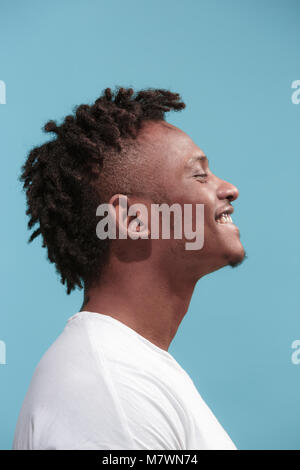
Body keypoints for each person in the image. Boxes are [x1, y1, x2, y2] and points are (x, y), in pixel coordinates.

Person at [13, 86, 246, 450]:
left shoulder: (126, 371)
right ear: (133, 220)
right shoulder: (109, 388)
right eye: (200, 176)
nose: (230, 189)